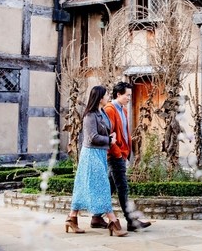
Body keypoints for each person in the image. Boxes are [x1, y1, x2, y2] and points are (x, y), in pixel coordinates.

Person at [65, 85, 128, 237]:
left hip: (100, 154)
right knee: (103, 186)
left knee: (83, 187)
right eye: (106, 95)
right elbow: (92, 137)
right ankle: (112, 220)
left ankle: (71, 218)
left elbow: (106, 129)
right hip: (91, 155)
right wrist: (110, 140)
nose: (108, 97)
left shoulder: (102, 112)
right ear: (100, 98)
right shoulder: (89, 116)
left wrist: (110, 137)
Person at [90, 81, 152, 231]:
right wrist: (117, 153)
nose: (129, 98)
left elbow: (123, 132)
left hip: (122, 154)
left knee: (110, 186)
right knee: (122, 187)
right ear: (118, 94)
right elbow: (108, 134)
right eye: (127, 95)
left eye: (130, 95)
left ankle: (96, 217)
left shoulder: (122, 110)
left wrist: (126, 152)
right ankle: (131, 221)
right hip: (115, 155)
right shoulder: (110, 110)